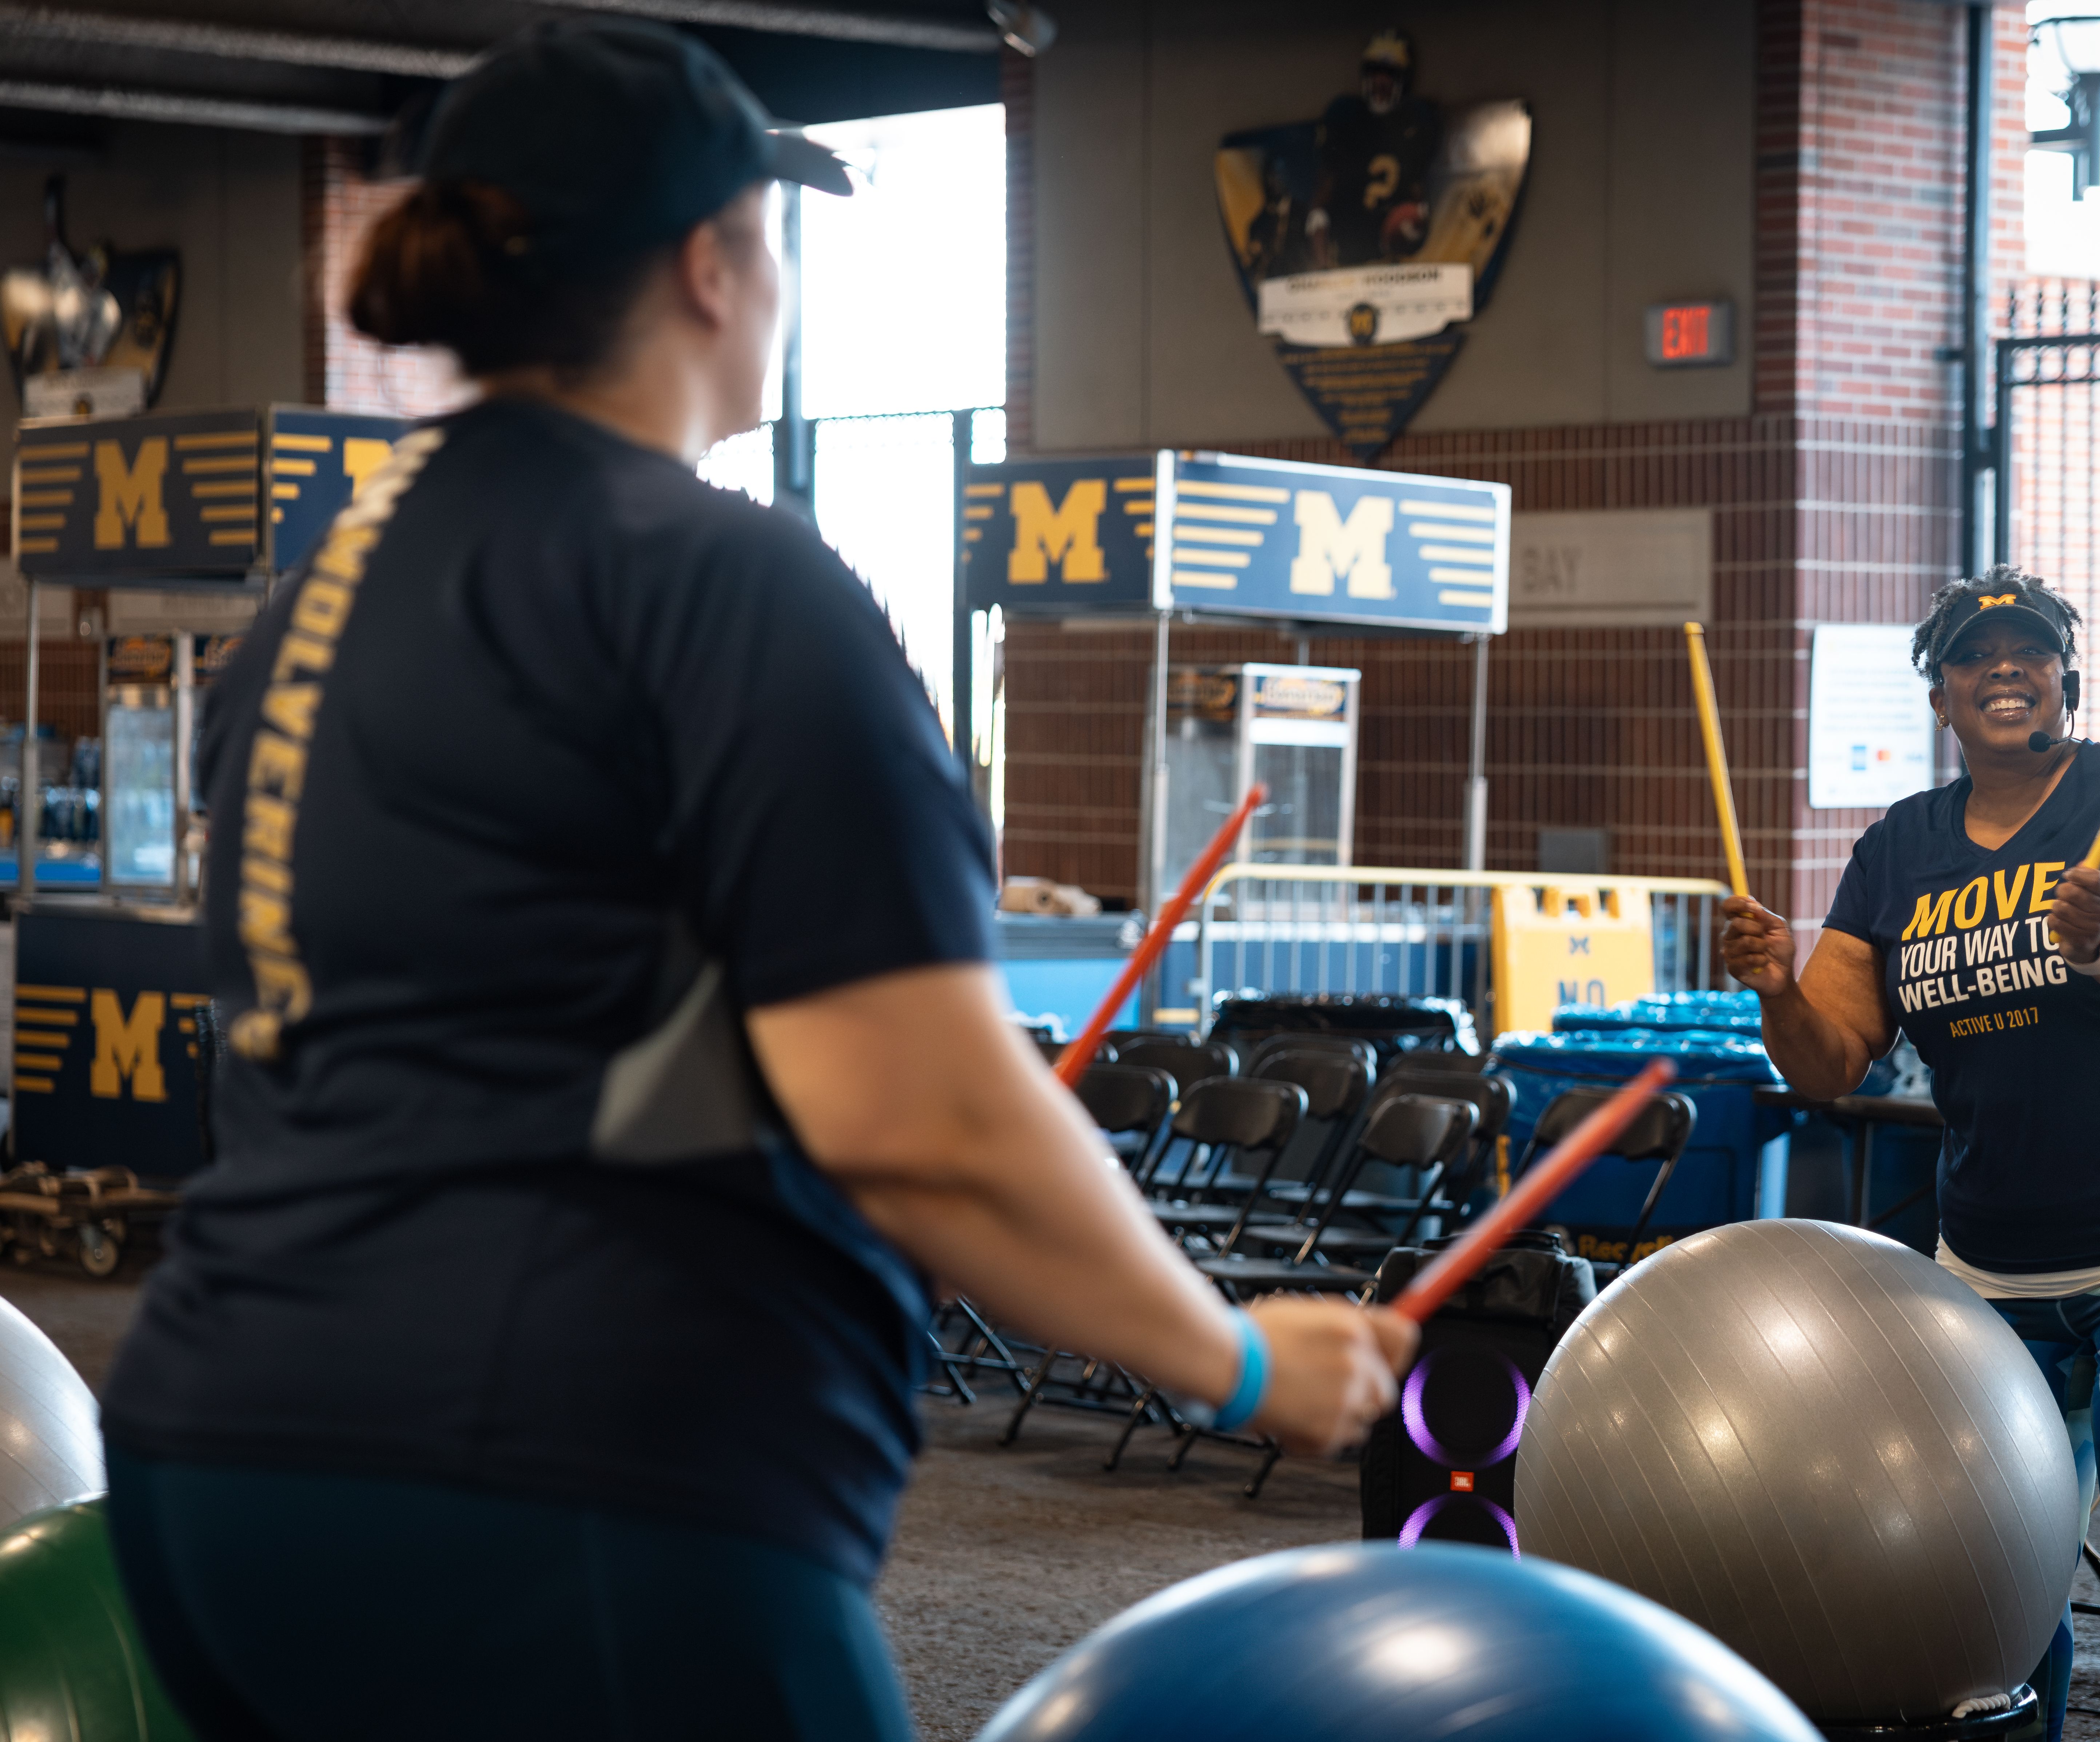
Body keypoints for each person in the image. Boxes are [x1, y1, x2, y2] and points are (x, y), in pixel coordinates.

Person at [98, 23, 1413, 1741]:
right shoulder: (729, 585)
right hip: (568, 1482)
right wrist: (1236, 1360)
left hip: (222, 1466)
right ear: (715, 268)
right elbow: (920, 1118)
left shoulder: (314, 608)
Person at [1721, 568, 2100, 1742]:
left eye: (2030, 653)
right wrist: (1778, 984)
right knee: (1993, 1565)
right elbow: (1830, 1063)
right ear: (1942, 699)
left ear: (2065, 678)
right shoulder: (1899, 846)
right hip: (1991, 1258)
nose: (2007, 671)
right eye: (1977, 659)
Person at [1307, 30, 1442, 267]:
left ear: (1403, 80)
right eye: (1375, 73)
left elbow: (1421, 193)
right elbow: (1324, 190)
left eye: (1390, 75)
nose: (1381, 82)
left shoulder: (1417, 121)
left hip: (1394, 251)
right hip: (1348, 243)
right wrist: (1321, 256)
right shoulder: (1345, 115)